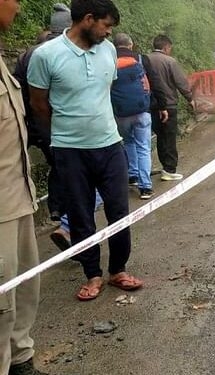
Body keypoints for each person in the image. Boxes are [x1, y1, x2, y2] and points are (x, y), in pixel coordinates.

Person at [28, 0, 144, 301]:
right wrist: (65, 135)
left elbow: (103, 93)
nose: (108, 33)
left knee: (119, 212)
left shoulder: (107, 51)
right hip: (70, 151)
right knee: (80, 215)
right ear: (88, 19)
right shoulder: (45, 56)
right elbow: (39, 105)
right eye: (105, 26)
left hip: (110, 146)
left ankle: (117, 269)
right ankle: (92, 274)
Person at [0, 1, 50, 374]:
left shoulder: (3, 62)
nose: (17, 6)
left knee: (23, 290)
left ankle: (21, 359)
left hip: (18, 198)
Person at [12, 3, 73, 223]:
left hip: (27, 121)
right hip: (51, 120)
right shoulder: (62, 51)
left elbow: (16, 85)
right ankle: (60, 210)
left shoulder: (27, 53)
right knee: (61, 164)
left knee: (18, 166)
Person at [112, 33, 155, 200]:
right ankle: (146, 187)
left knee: (129, 142)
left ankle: (133, 175)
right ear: (130, 45)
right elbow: (151, 82)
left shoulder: (109, 61)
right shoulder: (139, 59)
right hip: (141, 111)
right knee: (143, 147)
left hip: (121, 113)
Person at [147, 34, 194, 181]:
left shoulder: (145, 59)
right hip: (169, 104)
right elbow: (180, 82)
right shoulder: (170, 61)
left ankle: (164, 166)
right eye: (170, 48)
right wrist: (190, 98)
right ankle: (170, 169)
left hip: (151, 105)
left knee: (160, 136)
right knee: (170, 137)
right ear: (166, 47)